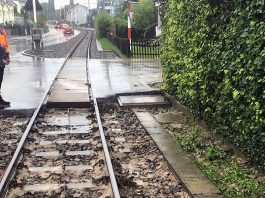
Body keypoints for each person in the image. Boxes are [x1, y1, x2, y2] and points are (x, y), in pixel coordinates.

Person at [0, 27, 10, 109]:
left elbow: (5, 45)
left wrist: (7, 56)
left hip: (1, 60)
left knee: (0, 80)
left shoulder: (2, 32)